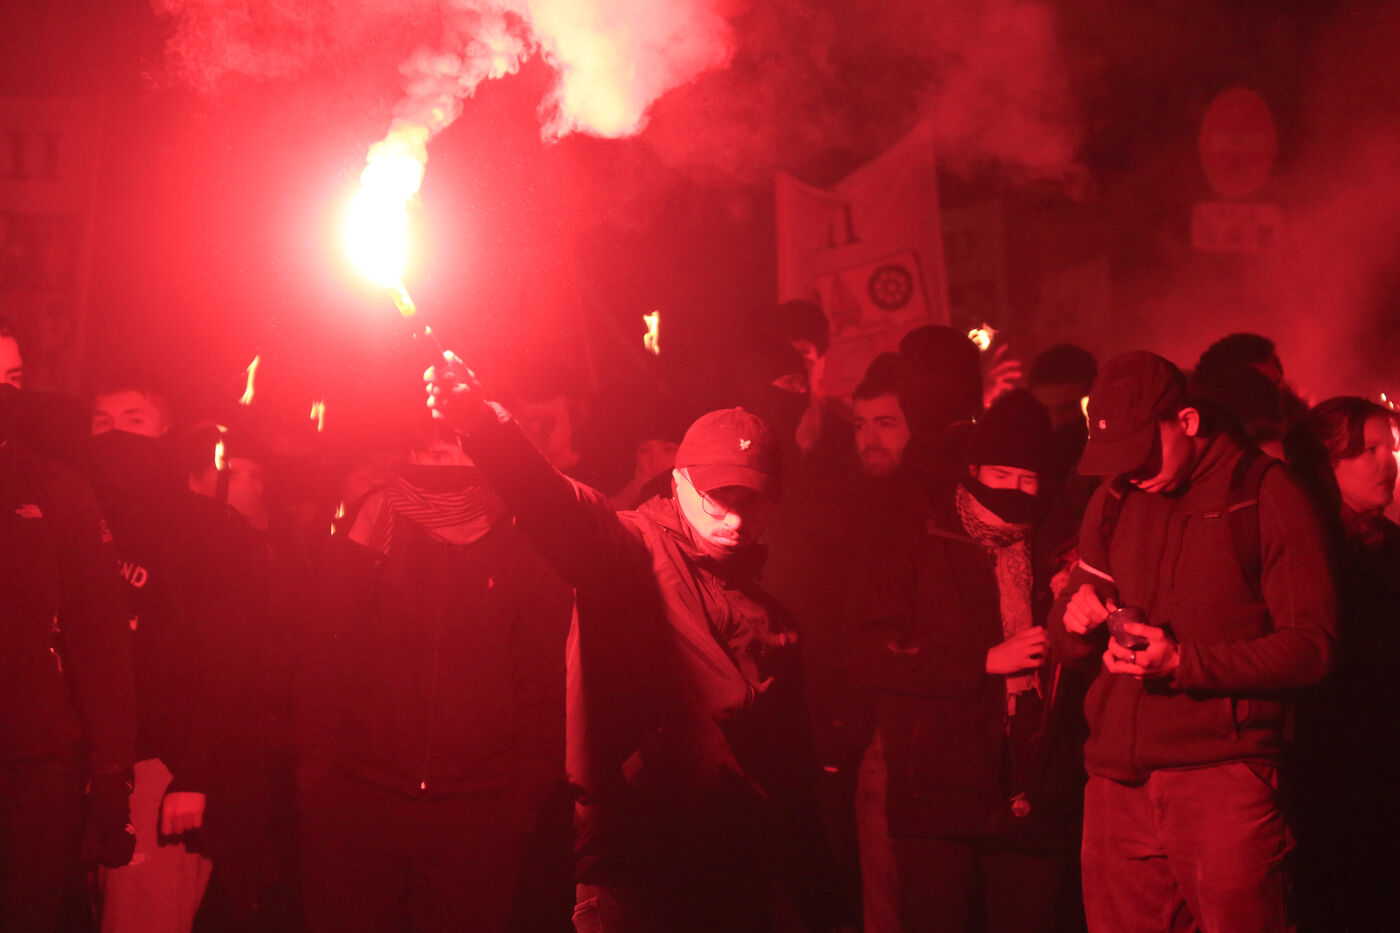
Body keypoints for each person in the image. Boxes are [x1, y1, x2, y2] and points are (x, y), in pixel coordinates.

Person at [425, 355, 817, 932]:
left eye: (753, 501)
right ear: (679, 483)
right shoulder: (631, 550)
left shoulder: (775, 616)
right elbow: (558, 505)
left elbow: (793, 774)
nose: (735, 519)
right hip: (638, 878)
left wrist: (820, 898)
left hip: (741, 882)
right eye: (718, 498)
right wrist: (483, 424)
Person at [1048, 351, 1335, 932]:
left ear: (1187, 421)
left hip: (1222, 780)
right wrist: (1073, 623)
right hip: (1115, 784)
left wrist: (1183, 662)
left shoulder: (1265, 495)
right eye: (1115, 456)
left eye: (1140, 450)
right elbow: (1064, 635)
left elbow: (1313, 647)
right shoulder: (1113, 500)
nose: (1130, 470)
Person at [296, 421, 573, 932]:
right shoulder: (373, 523)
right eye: (429, 456)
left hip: (478, 810)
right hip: (359, 797)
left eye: (454, 457)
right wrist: (319, 778)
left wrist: (521, 802)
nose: (438, 470)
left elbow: (543, 678)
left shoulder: (525, 539)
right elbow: (322, 650)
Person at [859, 390, 1086, 933]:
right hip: (938, 786)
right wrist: (983, 661)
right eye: (1001, 475)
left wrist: (1070, 605)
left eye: (1027, 480)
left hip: (1030, 790)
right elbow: (874, 653)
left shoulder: (1058, 545)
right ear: (975, 469)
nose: (1013, 491)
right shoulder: (920, 536)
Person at [89, 379, 273, 933]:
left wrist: (192, 773)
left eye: (134, 420)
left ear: (166, 432)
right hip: (87, 763)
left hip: (156, 768)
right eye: (102, 422)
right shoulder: (79, 516)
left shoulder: (205, 530)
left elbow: (229, 657)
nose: (116, 435)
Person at [2, 380, 137, 932]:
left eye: (13, 379)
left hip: (35, 758)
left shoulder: (56, 487)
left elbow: (100, 636)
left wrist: (111, 774)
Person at [1284, 397, 1400, 932]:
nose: (1386, 462)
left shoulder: (1391, 545)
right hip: (1327, 762)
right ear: (1327, 462)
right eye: (1366, 450)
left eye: (1389, 447)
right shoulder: (1309, 548)